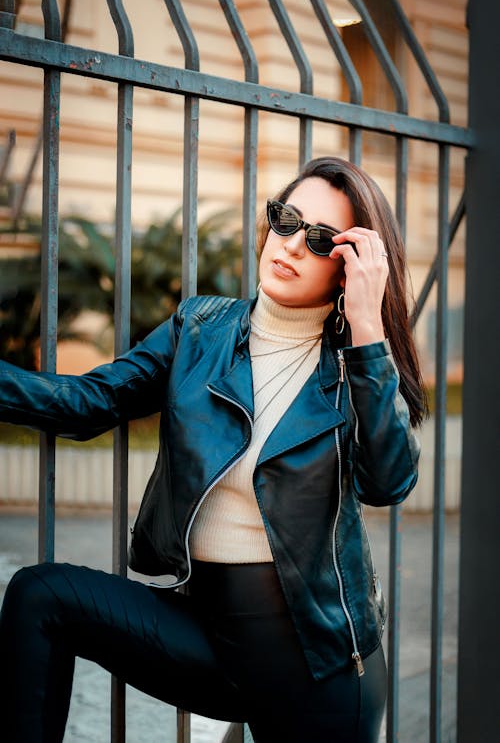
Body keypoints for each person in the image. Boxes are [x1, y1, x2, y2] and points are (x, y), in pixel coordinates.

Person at [0, 156, 425, 743]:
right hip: (209, 641)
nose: (295, 245)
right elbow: (88, 402)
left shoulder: (354, 367)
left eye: (322, 240)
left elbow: (388, 481)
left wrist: (367, 329)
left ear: (350, 268)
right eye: (287, 220)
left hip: (319, 676)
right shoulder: (200, 328)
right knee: (39, 596)